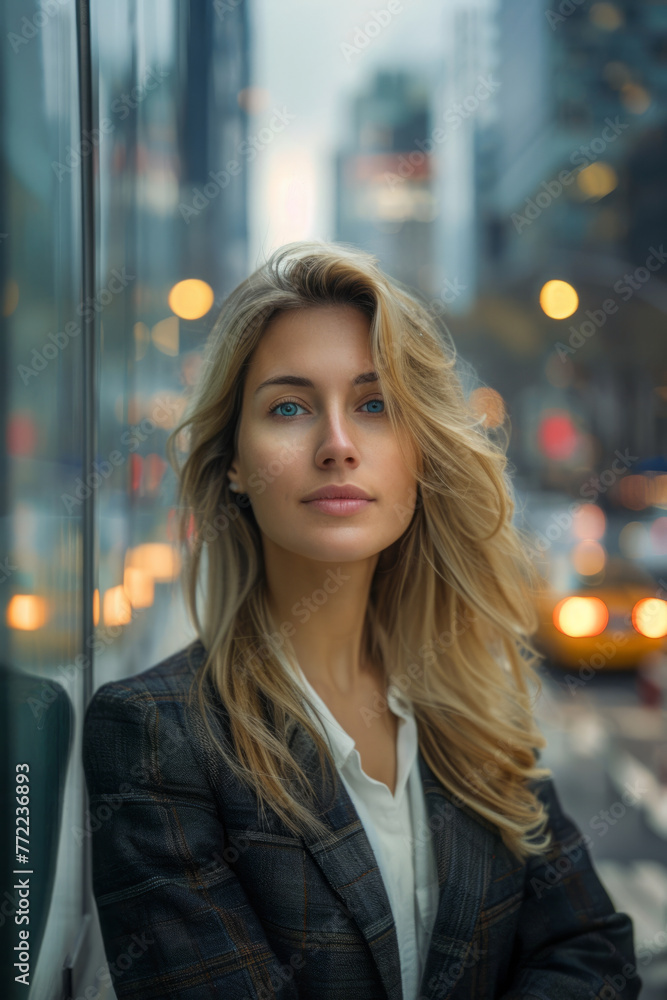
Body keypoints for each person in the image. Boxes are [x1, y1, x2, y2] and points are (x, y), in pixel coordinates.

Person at [82, 241, 641, 999]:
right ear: (235, 463)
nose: (338, 445)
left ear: (418, 451)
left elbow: (592, 951)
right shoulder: (154, 735)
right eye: (289, 407)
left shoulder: (472, 709)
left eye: (375, 405)